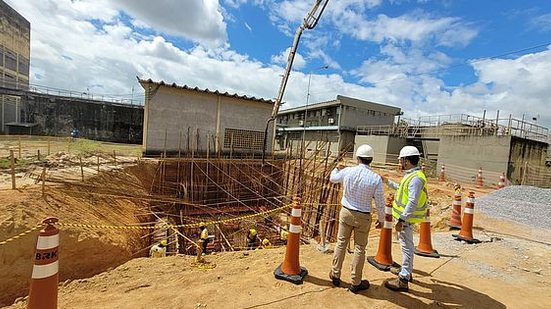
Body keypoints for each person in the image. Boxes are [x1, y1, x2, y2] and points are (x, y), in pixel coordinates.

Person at [328, 144, 385, 293]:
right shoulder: (375, 178)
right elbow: (380, 201)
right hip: (364, 217)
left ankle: (335, 274)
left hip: (346, 212)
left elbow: (333, 178)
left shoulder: (348, 172)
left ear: (357, 158)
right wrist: (381, 219)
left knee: (341, 243)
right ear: (371, 159)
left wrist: (337, 168)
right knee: (360, 248)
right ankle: (355, 282)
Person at [382, 146, 428, 292]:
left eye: (401, 160)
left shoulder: (415, 179)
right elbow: (401, 189)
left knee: (407, 248)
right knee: (406, 247)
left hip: (406, 220)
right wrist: (387, 182)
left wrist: (401, 220)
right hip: (405, 219)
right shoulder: (412, 175)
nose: (399, 163)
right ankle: (406, 271)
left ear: (407, 161)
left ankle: (403, 279)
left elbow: (412, 202)